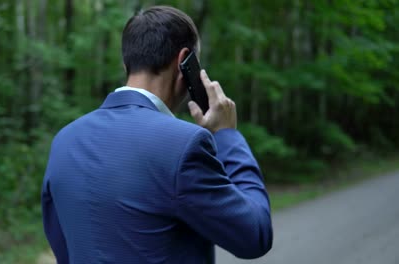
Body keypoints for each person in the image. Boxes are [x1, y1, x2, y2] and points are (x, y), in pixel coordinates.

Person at [41, 5, 273, 264]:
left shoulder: (64, 140)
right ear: (184, 62)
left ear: (126, 62)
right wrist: (227, 136)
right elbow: (255, 236)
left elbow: (64, 247)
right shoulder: (184, 145)